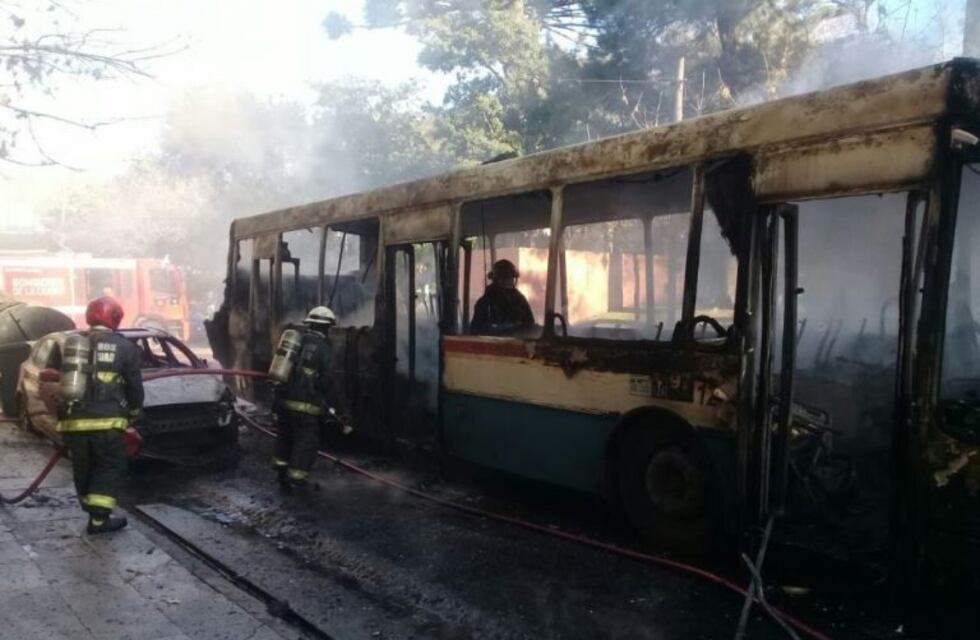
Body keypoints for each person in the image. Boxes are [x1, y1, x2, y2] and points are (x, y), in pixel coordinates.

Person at [58, 296, 143, 534]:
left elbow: (62, 380)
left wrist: (62, 422)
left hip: (74, 421)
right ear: (115, 318)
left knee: (83, 467)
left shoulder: (74, 343)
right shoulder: (125, 347)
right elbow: (134, 384)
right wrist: (135, 411)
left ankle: (91, 509)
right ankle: (99, 520)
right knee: (109, 466)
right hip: (107, 422)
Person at [272, 306, 344, 491]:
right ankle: (296, 480)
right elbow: (329, 383)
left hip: (283, 402)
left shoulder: (296, 341)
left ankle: (281, 473)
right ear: (326, 328)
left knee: (286, 436)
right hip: (306, 406)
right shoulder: (324, 349)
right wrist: (340, 409)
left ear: (310, 324)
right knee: (306, 441)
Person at [470, 259, 535, 335]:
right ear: (495, 279)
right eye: (503, 278)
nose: (507, 282)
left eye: (509, 278)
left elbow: (530, 327)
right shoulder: (485, 303)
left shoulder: (520, 301)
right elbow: (475, 330)